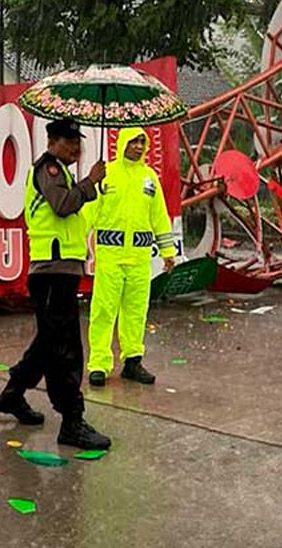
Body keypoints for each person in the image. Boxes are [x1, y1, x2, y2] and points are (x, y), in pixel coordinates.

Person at [0, 117, 111, 450]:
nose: (76, 148)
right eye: (69, 142)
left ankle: (12, 395)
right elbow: (63, 206)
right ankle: (72, 421)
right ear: (53, 142)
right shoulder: (50, 169)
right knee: (65, 349)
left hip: (63, 270)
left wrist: (89, 187)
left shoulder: (64, 171)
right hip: (51, 271)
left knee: (49, 343)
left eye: (79, 143)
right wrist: (90, 183)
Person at [85, 128, 176, 387]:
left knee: (136, 311)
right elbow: (89, 212)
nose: (138, 146)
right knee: (103, 310)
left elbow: (159, 216)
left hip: (139, 257)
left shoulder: (149, 178)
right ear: (122, 143)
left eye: (142, 142)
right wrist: (78, 244)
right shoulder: (106, 174)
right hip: (110, 256)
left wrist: (168, 252)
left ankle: (132, 361)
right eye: (134, 141)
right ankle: (99, 364)